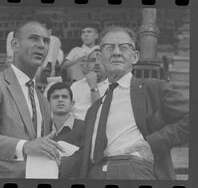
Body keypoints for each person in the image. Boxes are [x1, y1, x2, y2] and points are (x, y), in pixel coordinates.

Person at [80, 26, 189, 180]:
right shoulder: (95, 108)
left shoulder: (152, 88)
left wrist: (153, 143)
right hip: (95, 173)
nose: (116, 52)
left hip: (133, 171)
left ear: (135, 57)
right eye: (109, 47)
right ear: (99, 57)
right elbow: (84, 152)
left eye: (124, 47)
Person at [0, 21, 64, 178]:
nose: (42, 45)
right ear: (15, 45)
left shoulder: (42, 99)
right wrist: (24, 147)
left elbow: (38, 147)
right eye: (34, 39)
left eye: (46, 41)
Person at [46, 82, 84, 178]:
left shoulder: (84, 126)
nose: (60, 100)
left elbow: (86, 155)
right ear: (48, 103)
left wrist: (62, 163)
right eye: (55, 97)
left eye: (64, 97)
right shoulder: (43, 129)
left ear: (72, 104)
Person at [71, 49, 108, 120]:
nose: (97, 63)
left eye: (101, 60)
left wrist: (93, 86)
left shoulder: (112, 87)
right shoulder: (75, 85)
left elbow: (99, 112)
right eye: (93, 60)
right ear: (87, 65)